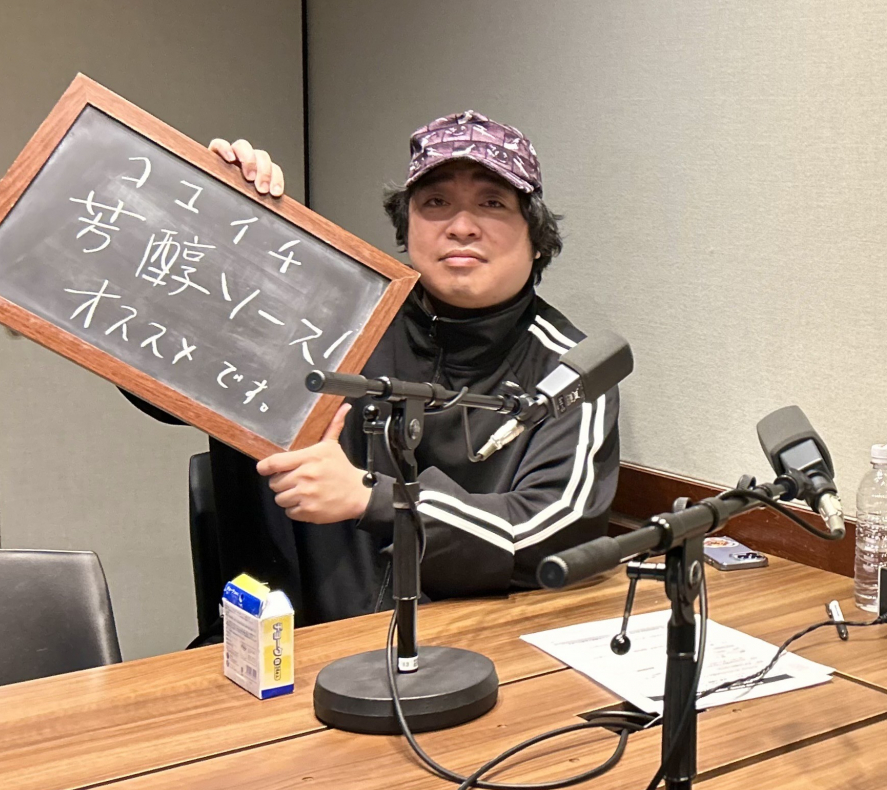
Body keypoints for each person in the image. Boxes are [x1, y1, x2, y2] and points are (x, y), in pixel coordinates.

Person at [140, 110, 620, 626]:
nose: (461, 227)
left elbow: (556, 532)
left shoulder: (569, 371)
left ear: (538, 236)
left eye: (492, 203)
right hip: (286, 641)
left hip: (464, 646)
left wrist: (374, 500)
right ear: (405, 227)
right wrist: (211, 226)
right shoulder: (329, 308)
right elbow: (163, 385)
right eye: (435, 202)